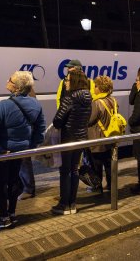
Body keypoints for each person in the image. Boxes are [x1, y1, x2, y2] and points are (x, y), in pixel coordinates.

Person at [0, 71, 45, 228]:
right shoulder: (35, 104)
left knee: (1, 184)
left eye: (10, 79)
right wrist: (31, 145)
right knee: (13, 181)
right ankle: (12, 213)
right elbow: (41, 129)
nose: (7, 80)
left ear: (17, 87)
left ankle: (3, 217)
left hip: (4, 151)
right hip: (21, 150)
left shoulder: (4, 105)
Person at [52, 70, 92, 214]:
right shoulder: (88, 96)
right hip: (81, 139)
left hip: (68, 139)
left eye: (67, 80)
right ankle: (73, 204)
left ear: (74, 81)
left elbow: (57, 121)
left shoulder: (69, 98)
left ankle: (64, 205)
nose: (65, 82)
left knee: (65, 171)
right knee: (75, 169)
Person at [87, 75, 118, 194]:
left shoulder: (97, 103)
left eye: (95, 86)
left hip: (98, 139)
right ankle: (111, 186)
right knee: (109, 164)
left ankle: (97, 188)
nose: (94, 88)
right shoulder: (113, 100)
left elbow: (90, 120)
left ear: (100, 88)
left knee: (97, 166)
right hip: (110, 137)